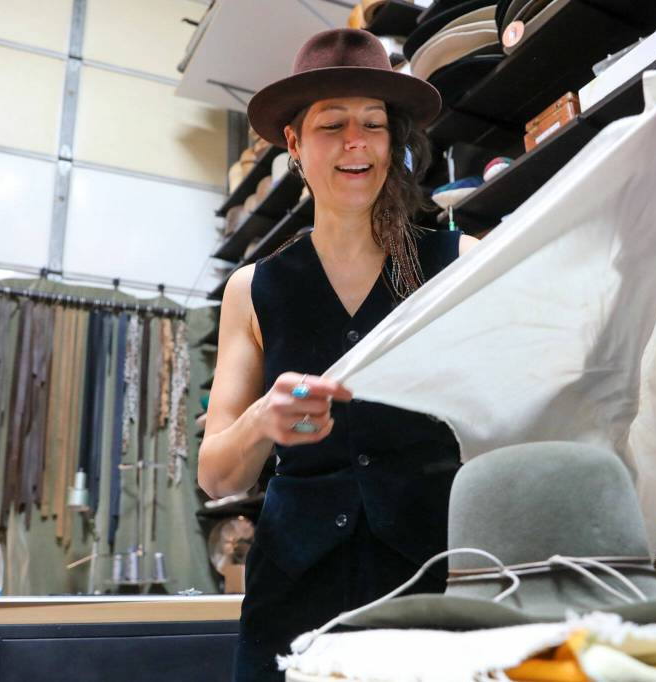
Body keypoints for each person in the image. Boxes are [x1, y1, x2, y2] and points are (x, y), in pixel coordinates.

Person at [197, 28, 479, 681]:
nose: (356, 142)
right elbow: (217, 476)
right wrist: (262, 422)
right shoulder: (254, 290)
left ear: (393, 141)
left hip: (424, 585)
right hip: (291, 596)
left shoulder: (455, 267)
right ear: (294, 144)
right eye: (332, 125)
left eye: (373, 125)